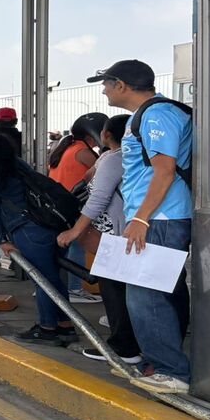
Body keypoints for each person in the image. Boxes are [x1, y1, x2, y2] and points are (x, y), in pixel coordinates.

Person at [90, 60, 193, 394]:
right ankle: (161, 364)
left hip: (160, 219)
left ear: (121, 85)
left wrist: (140, 219)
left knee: (144, 297)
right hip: (158, 217)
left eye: (106, 83)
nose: (104, 90)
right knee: (162, 294)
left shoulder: (156, 115)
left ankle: (171, 371)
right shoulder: (147, 115)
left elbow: (164, 171)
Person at [0, 130, 75, 346]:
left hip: (29, 230)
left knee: (43, 280)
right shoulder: (16, 165)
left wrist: (2, 241)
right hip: (52, 225)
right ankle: (65, 325)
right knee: (52, 278)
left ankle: (47, 329)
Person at [57, 114, 141, 364]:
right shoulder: (126, 157)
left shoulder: (115, 159)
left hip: (115, 232)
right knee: (125, 288)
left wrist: (75, 231)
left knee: (115, 289)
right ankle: (131, 343)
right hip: (126, 230)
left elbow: (98, 197)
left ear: (106, 135)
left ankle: (124, 348)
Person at [48, 112, 108, 304]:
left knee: (66, 247)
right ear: (93, 136)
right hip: (76, 205)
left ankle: (61, 287)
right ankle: (74, 288)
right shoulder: (83, 151)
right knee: (77, 247)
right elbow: (107, 170)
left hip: (59, 204)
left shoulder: (65, 147)